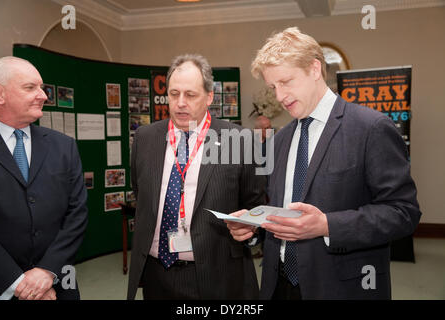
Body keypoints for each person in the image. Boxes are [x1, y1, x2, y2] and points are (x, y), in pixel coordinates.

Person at [226, 27, 421, 300]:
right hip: (278, 286)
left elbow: (403, 212)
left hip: (341, 287)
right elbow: (278, 207)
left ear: (314, 69)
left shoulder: (371, 128)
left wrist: (327, 225)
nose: (280, 96)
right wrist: (253, 228)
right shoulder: (280, 139)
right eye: (273, 87)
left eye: (286, 81)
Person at [127, 54, 266, 300]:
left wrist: (250, 228)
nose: (180, 103)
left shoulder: (239, 140)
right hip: (157, 274)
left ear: (209, 97)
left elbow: (256, 206)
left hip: (217, 275)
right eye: (174, 94)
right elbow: (142, 194)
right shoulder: (145, 138)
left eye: (190, 95)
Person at [0, 56, 88, 300]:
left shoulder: (63, 146)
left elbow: (76, 214)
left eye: (42, 87)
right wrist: (18, 284)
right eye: (30, 88)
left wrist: (47, 272)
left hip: (59, 285)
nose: (43, 95)